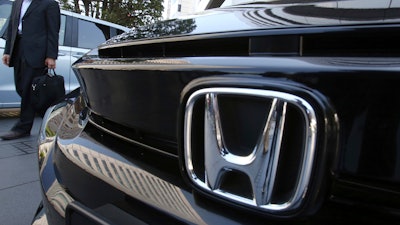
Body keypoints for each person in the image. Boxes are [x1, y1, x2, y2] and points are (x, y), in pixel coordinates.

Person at [0, 0, 60, 140]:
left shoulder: (49, 4)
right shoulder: (17, 3)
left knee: (28, 90)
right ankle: (53, 119)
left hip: (37, 52)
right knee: (21, 87)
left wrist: (51, 56)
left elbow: (53, 31)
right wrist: (8, 50)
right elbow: (12, 26)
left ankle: (23, 128)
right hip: (18, 49)